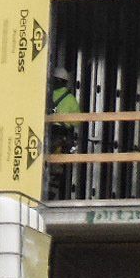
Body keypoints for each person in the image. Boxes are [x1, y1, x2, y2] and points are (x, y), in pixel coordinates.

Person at [45, 65, 85, 201]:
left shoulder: (45, 94)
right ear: (65, 82)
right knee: (55, 170)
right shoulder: (70, 99)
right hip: (59, 136)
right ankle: (49, 196)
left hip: (46, 132)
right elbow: (77, 122)